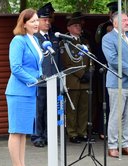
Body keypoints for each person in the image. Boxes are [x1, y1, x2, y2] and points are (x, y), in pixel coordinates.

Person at [5, 8, 42, 166]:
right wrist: (34, 80)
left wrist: (42, 78)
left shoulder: (34, 40)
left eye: (37, 20)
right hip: (18, 91)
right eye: (33, 21)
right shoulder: (18, 41)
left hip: (30, 91)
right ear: (24, 23)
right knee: (15, 131)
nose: (36, 23)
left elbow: (37, 65)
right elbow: (16, 67)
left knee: (23, 133)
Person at [102, 12, 128, 158]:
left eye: (127, 20)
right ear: (115, 23)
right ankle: (112, 145)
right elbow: (113, 60)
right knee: (116, 115)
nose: (127, 22)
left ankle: (124, 143)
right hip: (118, 82)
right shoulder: (108, 39)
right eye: (124, 20)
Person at [30, 4, 60, 148]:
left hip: (53, 79)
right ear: (38, 21)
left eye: (48, 20)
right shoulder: (33, 38)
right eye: (44, 20)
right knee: (39, 110)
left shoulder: (54, 37)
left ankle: (49, 135)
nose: (47, 22)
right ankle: (37, 136)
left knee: (51, 110)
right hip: (40, 80)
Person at [59, 12, 91, 143]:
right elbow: (67, 62)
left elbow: (89, 59)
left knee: (84, 109)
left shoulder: (85, 41)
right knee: (72, 109)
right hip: (73, 80)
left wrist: (88, 73)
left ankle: (82, 132)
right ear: (69, 28)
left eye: (79, 25)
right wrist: (81, 74)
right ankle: (72, 133)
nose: (79, 28)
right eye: (75, 25)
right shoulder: (64, 42)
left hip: (85, 81)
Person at [93, 1, 120, 140]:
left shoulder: (124, 27)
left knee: (116, 102)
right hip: (104, 68)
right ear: (109, 14)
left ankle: (115, 131)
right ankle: (103, 129)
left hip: (119, 69)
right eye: (113, 12)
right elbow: (97, 43)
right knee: (104, 100)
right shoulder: (103, 27)